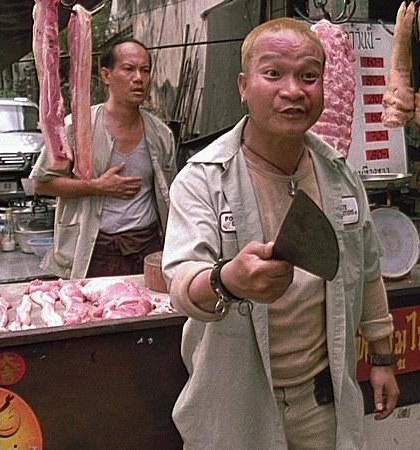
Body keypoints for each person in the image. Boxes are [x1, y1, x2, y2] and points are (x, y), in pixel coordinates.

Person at [161, 18, 399, 449]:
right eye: (273, 73)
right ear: (243, 86)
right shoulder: (203, 179)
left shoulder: (340, 176)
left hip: (320, 404)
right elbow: (181, 283)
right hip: (235, 403)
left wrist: (383, 357)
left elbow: (366, 270)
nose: (293, 91)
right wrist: (227, 280)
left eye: (309, 76)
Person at [30, 38, 176, 280]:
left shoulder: (161, 135)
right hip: (96, 250)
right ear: (106, 75)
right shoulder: (76, 128)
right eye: (128, 69)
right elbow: (41, 183)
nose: (138, 78)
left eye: (145, 70)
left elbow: (171, 195)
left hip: (148, 247)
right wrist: (96, 186)